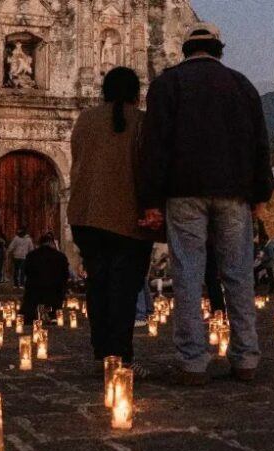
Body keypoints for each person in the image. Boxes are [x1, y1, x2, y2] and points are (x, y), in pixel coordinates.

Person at [138, 22, 273, 384]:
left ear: (185, 51)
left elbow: (154, 148)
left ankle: (193, 362)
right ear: (218, 50)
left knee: (188, 274)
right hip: (233, 194)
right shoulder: (242, 85)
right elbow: (261, 144)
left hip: (184, 193)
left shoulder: (167, 85)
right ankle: (246, 358)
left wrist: (150, 201)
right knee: (238, 274)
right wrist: (261, 194)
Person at [69, 67, 157, 371]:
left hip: (85, 217)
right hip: (127, 221)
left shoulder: (85, 119)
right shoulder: (143, 122)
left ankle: (102, 353)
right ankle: (120, 355)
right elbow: (148, 171)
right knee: (124, 290)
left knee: (99, 286)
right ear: (136, 93)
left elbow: (78, 161)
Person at [22, 234, 70, 323]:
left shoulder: (31, 255)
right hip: (55, 288)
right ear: (51, 243)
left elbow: (27, 271)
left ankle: (30, 317)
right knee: (57, 294)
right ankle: (55, 317)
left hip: (35, 288)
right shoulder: (60, 256)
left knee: (31, 296)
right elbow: (65, 274)